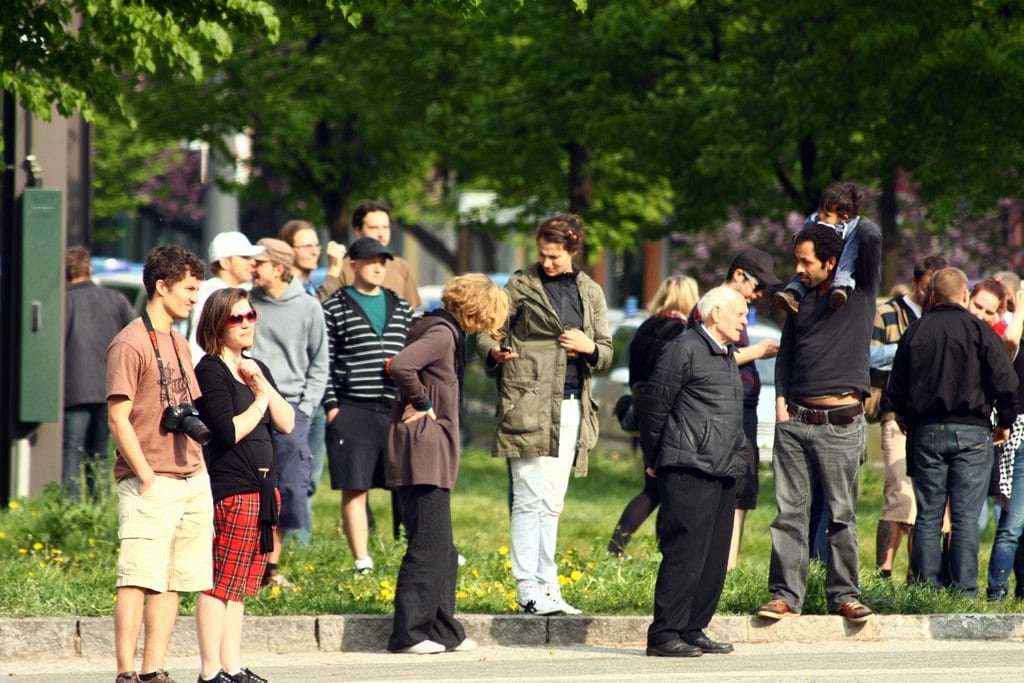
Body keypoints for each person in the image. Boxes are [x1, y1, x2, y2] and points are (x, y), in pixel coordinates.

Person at [478, 214, 612, 616]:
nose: (547, 262)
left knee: (551, 500)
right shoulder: (521, 284)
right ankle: (528, 588)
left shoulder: (590, 291)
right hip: (526, 401)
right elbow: (487, 330)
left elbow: (606, 351)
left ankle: (547, 585)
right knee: (528, 497)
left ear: (573, 250)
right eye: (542, 254)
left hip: (570, 403)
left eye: (555, 256)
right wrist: (494, 351)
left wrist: (589, 347)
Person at [757, 207, 881, 624]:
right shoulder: (798, 299)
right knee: (789, 514)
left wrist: (835, 217)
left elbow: (871, 235)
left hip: (841, 425)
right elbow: (787, 354)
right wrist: (781, 400)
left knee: (841, 515)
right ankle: (785, 596)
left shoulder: (860, 291)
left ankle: (844, 595)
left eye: (806, 261)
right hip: (795, 423)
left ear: (831, 261)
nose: (798, 269)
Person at [384, 274, 508, 654]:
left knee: (443, 549)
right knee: (428, 545)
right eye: (491, 313)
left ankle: (442, 629)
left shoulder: (447, 332)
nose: (492, 322)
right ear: (477, 309)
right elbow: (401, 365)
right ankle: (408, 634)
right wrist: (422, 401)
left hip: (431, 447)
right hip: (423, 447)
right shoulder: (441, 333)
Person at [105, 245, 212, 683]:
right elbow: (117, 418)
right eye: (189, 289)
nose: (194, 298)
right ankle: (126, 671)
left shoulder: (179, 342)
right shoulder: (130, 342)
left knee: (172, 581)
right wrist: (146, 476)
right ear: (162, 286)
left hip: (190, 476)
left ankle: (153, 670)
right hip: (150, 478)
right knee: (137, 577)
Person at [889, 267, 1018, 594]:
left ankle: (927, 589)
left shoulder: (915, 331)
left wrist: (909, 421)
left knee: (928, 515)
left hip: (926, 432)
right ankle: (964, 591)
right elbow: (1006, 383)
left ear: (932, 296)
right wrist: (1004, 422)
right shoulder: (980, 331)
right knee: (965, 518)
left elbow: (896, 390)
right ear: (964, 295)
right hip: (973, 433)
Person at [639, 286, 750, 657]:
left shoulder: (725, 354)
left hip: (723, 468)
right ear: (716, 313)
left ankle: (692, 627)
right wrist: (654, 458)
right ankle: (664, 633)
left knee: (713, 558)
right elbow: (655, 406)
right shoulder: (683, 348)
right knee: (685, 552)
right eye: (740, 314)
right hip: (688, 466)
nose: (744, 321)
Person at [194, 288, 295, 683]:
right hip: (233, 488)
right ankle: (210, 671)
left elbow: (287, 422)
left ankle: (232, 666)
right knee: (220, 582)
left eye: (250, 315)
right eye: (236, 318)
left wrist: (261, 385)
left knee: (240, 585)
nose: (246, 324)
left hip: (263, 489)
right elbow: (229, 430)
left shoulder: (256, 367)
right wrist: (258, 401)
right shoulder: (211, 370)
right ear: (217, 324)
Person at [321, 237, 414, 574]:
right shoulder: (333, 307)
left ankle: (413, 551)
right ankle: (362, 560)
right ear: (353, 265)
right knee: (355, 487)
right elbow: (323, 360)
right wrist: (332, 406)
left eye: (382, 261)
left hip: (395, 409)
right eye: (371, 261)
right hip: (352, 407)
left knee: (407, 484)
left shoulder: (401, 306)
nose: (377, 267)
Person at [685, 248, 782, 569]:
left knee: (743, 485)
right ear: (739, 274)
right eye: (757, 285)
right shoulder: (712, 309)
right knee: (729, 485)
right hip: (724, 409)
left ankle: (729, 565)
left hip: (744, 407)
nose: (759, 294)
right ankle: (719, 564)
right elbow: (705, 357)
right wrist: (757, 352)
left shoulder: (736, 310)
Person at [250, 238, 329, 588]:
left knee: (288, 490)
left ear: (279, 268)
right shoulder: (246, 304)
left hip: (292, 409)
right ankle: (246, 564)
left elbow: (319, 363)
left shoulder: (309, 307)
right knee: (250, 488)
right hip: (250, 409)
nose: (252, 268)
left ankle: (272, 567)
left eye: (259, 263)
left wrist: (305, 409)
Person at [607, 275, 700, 555]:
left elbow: (634, 375)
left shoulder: (645, 327)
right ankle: (656, 551)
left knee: (654, 486)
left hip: (643, 413)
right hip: (669, 414)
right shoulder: (683, 333)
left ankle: (619, 547)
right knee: (664, 489)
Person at [869, 255, 948, 580]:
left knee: (930, 501)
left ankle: (918, 576)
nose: (931, 294)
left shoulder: (942, 315)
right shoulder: (888, 311)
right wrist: (911, 347)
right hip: (896, 414)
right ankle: (884, 573)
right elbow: (869, 355)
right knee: (898, 494)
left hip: (932, 418)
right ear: (916, 282)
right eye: (928, 287)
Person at [278, 219, 335, 545]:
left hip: (316, 395)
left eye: (316, 244)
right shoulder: (285, 293)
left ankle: (302, 542)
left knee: (310, 476)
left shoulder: (313, 288)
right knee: (293, 476)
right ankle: (294, 545)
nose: (315, 251)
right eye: (306, 245)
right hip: (291, 399)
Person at [64, 246, 135, 501]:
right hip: (109, 388)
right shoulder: (115, 299)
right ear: (90, 269)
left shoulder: (64, 302)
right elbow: (134, 336)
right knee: (101, 454)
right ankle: (99, 502)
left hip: (74, 389)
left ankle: (70, 505)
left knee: (72, 450)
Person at [774, 182, 866, 314]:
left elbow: (851, 252)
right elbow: (806, 228)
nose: (821, 217)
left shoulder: (851, 228)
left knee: (843, 267)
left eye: (827, 215)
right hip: (819, 265)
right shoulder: (815, 219)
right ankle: (793, 293)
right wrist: (799, 236)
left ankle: (840, 288)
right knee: (804, 271)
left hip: (839, 267)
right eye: (820, 211)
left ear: (843, 218)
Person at [317, 200, 422, 307]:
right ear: (358, 231)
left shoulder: (401, 266)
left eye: (385, 227)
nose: (381, 234)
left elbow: (412, 310)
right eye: (374, 228)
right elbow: (326, 307)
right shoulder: (342, 268)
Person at [188, 231, 264, 361]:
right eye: (245, 257)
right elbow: (199, 345)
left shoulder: (239, 292)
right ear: (225, 262)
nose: (253, 262)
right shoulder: (210, 294)